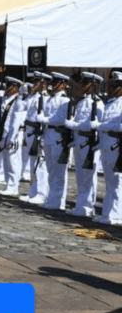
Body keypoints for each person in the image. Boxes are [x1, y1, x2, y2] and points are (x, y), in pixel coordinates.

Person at [67, 72, 103, 217]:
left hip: (89, 141)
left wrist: (98, 144)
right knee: (80, 175)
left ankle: (87, 207)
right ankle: (80, 205)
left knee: (89, 175)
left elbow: (99, 125)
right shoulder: (81, 101)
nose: (82, 86)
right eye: (82, 83)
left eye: (85, 83)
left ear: (94, 85)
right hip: (79, 140)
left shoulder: (98, 103)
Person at [38, 72, 74, 211]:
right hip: (48, 134)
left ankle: (59, 201)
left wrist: (45, 119)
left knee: (59, 171)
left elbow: (61, 119)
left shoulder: (65, 100)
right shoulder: (50, 99)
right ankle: (51, 198)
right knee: (50, 169)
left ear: (64, 84)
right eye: (54, 82)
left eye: (57, 83)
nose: (54, 85)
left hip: (59, 135)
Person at [95, 72, 122, 225]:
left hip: (117, 144)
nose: (114, 88)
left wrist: (103, 126)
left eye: (117, 86)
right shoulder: (111, 102)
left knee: (117, 182)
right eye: (113, 85)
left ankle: (116, 215)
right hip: (106, 142)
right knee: (109, 181)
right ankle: (108, 212)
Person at [21, 72, 51, 204]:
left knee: (40, 165)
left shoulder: (45, 98)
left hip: (39, 133)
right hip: (30, 132)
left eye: (35, 83)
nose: (32, 85)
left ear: (43, 84)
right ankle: (33, 191)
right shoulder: (34, 97)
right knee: (33, 164)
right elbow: (23, 107)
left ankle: (41, 193)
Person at [0, 76, 26, 196]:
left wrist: (11, 138)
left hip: (14, 135)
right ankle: (8, 185)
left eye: (9, 86)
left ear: (15, 88)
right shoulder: (8, 100)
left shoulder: (18, 101)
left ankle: (13, 186)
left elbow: (16, 121)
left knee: (13, 162)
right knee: (7, 162)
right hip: (6, 134)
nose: (6, 88)